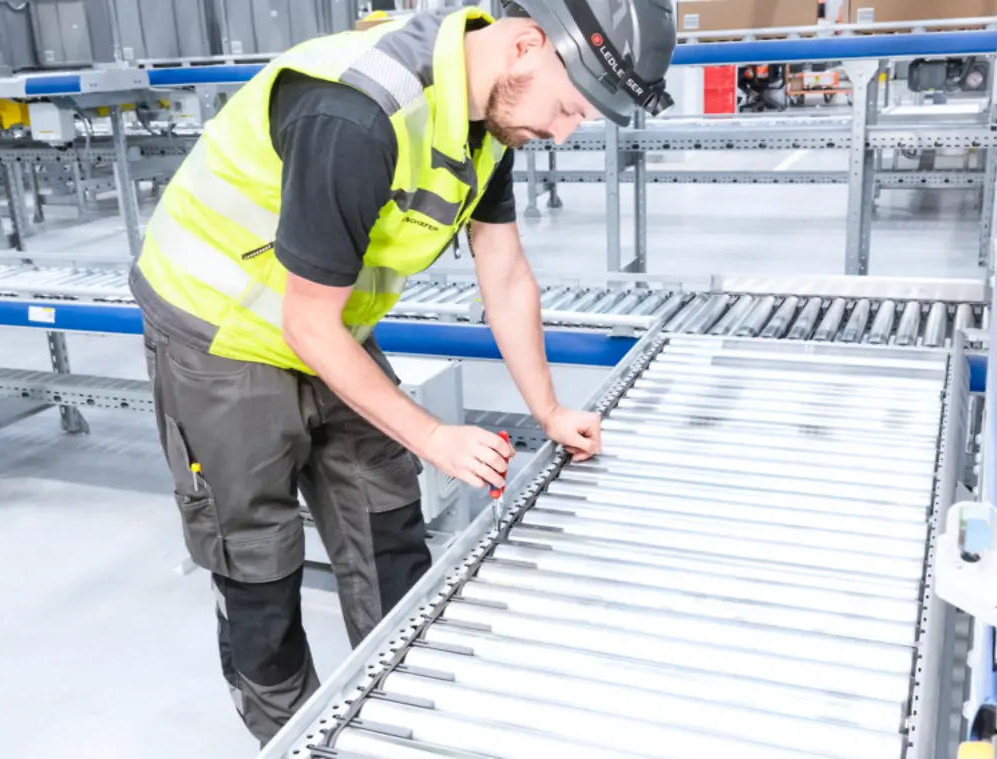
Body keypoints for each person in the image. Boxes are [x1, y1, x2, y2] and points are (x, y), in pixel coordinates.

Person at [129, 0, 677, 745]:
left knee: (387, 530)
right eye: (568, 108)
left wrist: (548, 411)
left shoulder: (488, 119)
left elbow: (504, 271)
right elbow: (305, 326)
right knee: (258, 569)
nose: (562, 132)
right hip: (219, 332)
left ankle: (398, 724)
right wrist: (432, 436)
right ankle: (288, 738)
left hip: (329, 324)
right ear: (526, 45)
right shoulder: (357, 112)